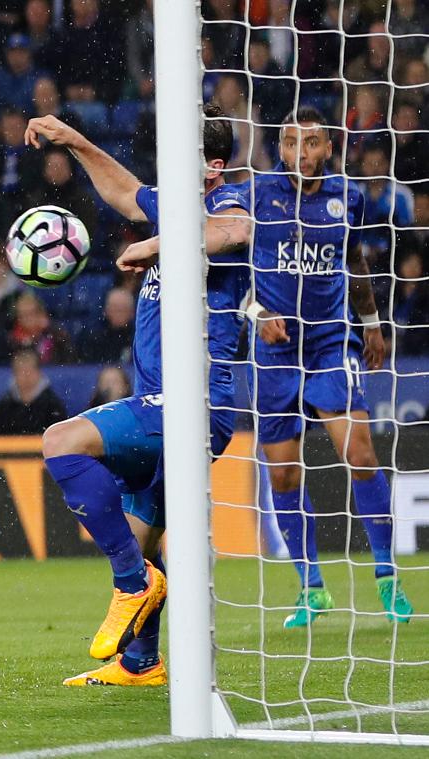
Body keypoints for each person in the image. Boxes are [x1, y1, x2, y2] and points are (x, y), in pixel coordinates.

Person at [28, 105, 253, 687]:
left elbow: (234, 233)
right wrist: (75, 138)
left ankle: (133, 585)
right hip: (165, 401)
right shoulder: (174, 205)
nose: (164, 165)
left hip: (195, 402)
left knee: (61, 442)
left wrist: (153, 246)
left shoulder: (226, 203)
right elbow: (122, 189)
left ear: (214, 165)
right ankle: (142, 662)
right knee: (138, 537)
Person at [240, 107, 412, 629]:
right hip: (274, 351)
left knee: (358, 450)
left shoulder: (347, 197)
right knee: (285, 471)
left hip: (331, 343)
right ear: (280, 147)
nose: (301, 154)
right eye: (292, 143)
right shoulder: (257, 196)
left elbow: (354, 260)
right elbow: (224, 274)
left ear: (328, 148)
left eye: (311, 143)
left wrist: (373, 323)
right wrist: (255, 312)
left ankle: (387, 578)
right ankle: (310, 586)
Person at [0, 349, 67, 435]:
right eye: (21, 371)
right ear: (14, 374)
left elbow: (60, 438)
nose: (26, 376)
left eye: (30, 371)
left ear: (38, 372)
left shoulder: (52, 405)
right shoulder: (4, 405)